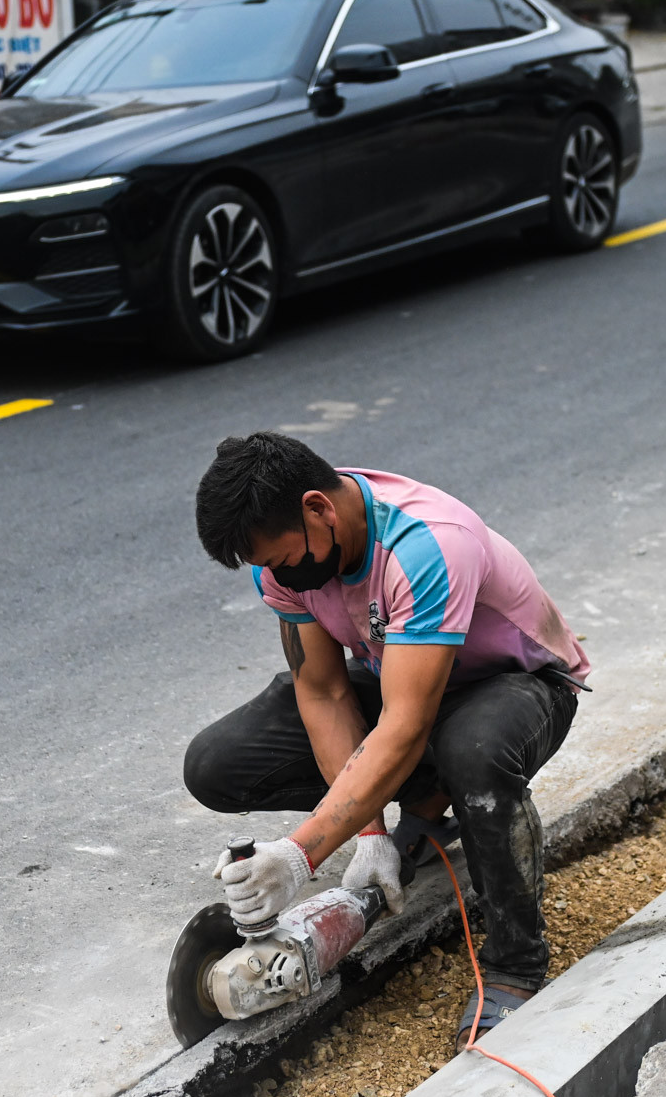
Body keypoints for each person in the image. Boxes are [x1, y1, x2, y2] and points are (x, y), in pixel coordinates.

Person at [185, 433, 590, 1046]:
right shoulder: (286, 565)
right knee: (218, 763)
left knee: (472, 750)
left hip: (514, 688)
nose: (280, 575)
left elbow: (404, 725)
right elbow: (323, 693)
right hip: (400, 675)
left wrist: (300, 855)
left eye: (285, 559)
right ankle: (426, 803)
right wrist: (369, 835)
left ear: (318, 508)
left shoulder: (427, 545)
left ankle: (515, 964)